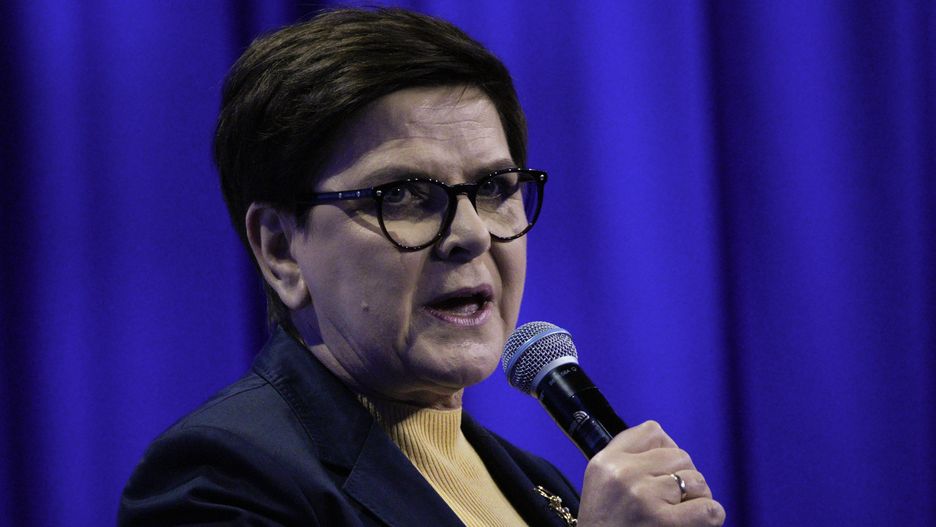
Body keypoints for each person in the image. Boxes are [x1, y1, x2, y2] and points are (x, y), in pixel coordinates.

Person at [119, 8, 725, 526]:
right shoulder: (222, 481)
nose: (470, 234)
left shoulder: (544, 487)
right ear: (280, 250)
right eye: (404, 195)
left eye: (493, 187)